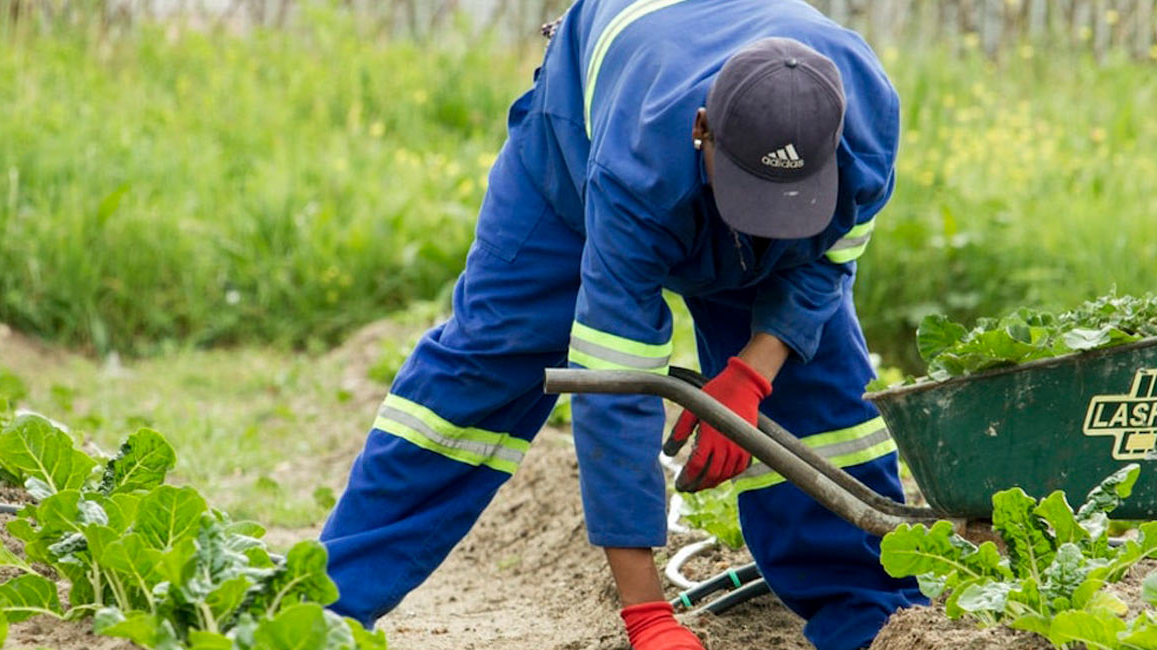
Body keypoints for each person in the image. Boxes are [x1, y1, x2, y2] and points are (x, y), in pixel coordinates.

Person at [318, 1, 923, 648]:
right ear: (702, 132)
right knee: (487, 364)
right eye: (750, 199)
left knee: (817, 390)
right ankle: (325, 603)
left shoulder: (865, 121)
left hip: (726, 105)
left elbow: (827, 262)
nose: (759, 225)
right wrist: (647, 615)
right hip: (580, 141)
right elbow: (615, 383)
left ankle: (874, 615)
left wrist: (754, 374)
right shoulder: (638, 164)